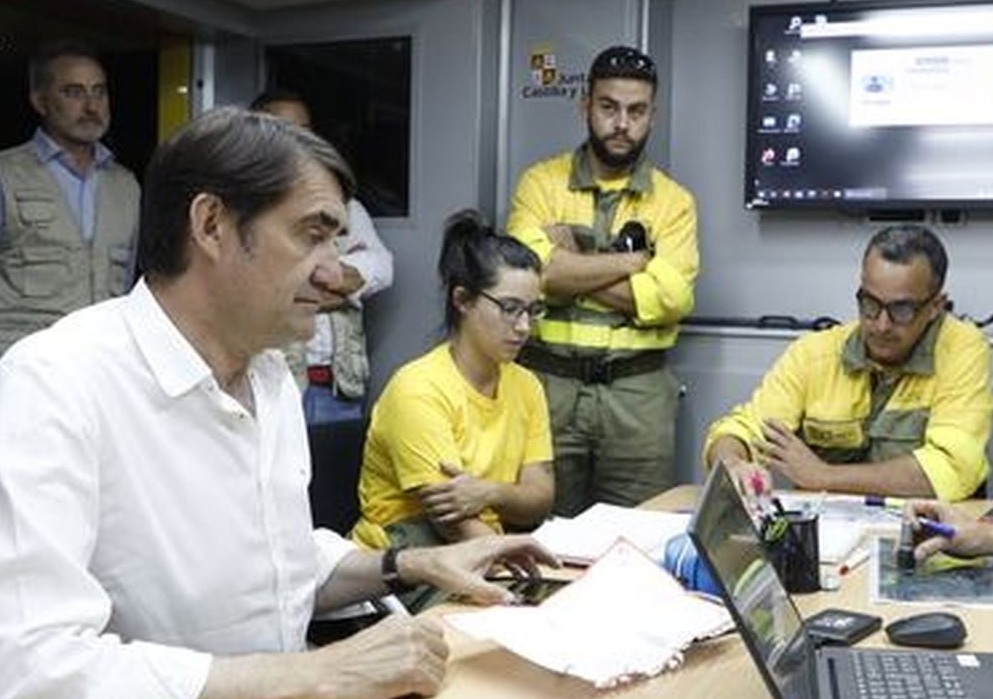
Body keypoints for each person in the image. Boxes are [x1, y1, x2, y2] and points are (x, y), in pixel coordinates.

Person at [0, 107, 555, 699]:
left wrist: (413, 565)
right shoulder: (56, 383)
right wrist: (316, 676)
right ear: (211, 224)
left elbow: (273, 565)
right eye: (313, 236)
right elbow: (13, 690)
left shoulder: (266, 377)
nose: (335, 273)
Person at [507, 46, 699, 516]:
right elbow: (532, 275)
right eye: (608, 107)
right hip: (547, 387)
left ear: (652, 116)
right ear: (586, 106)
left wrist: (571, 265)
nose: (621, 123)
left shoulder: (674, 203)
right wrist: (632, 265)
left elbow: (671, 298)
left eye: (636, 111)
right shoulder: (539, 183)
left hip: (638, 400)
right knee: (540, 535)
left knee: (639, 543)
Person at [705, 225, 993, 500]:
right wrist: (733, 462)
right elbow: (742, 429)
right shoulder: (814, 353)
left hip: (927, 537)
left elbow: (954, 468)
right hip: (830, 537)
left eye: (902, 310)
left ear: (936, 307)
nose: (881, 325)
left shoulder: (962, 348)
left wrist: (825, 476)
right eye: (870, 304)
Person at [355, 210, 554, 562]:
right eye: (510, 308)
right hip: (405, 555)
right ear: (462, 300)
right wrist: (512, 560)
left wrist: (488, 492)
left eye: (533, 310)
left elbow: (539, 498)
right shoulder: (418, 389)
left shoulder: (527, 385)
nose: (524, 326)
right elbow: (453, 521)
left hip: (486, 543)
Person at [0, 39, 140, 380]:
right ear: (40, 101)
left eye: (99, 92)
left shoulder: (126, 184)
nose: (92, 106)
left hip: (104, 374)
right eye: (74, 92)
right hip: (23, 374)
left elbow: (128, 286)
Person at [250, 90, 393, 424]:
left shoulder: (344, 206)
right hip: (271, 385)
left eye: (306, 129)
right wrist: (341, 293)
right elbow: (257, 291)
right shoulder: (248, 209)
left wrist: (311, 285)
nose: (299, 140)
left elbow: (383, 267)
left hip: (336, 389)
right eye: (285, 129)